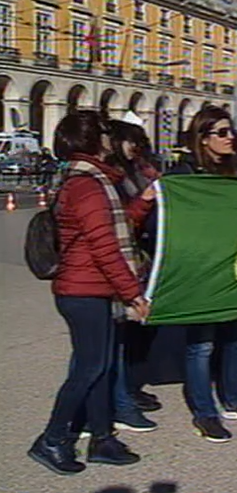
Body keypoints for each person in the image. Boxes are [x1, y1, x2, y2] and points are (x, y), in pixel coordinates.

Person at [28, 111, 149, 475]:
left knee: (101, 365)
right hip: (84, 290)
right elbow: (104, 246)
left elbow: (113, 231)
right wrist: (132, 294)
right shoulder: (87, 184)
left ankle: (101, 438)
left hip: (92, 288)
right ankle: (51, 439)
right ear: (92, 138)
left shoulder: (92, 179)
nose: (110, 138)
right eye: (105, 132)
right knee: (89, 368)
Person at [168, 106, 237, 442]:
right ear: (203, 137)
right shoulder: (183, 174)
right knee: (201, 345)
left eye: (231, 132)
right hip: (200, 268)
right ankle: (205, 412)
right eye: (222, 133)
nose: (231, 138)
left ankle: (236, 398)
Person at [102, 120, 163, 432]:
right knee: (118, 338)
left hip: (142, 259)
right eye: (130, 141)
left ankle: (132, 388)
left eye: (140, 141)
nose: (135, 147)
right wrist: (145, 201)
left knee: (139, 333)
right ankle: (119, 401)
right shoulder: (113, 177)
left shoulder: (139, 170)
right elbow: (121, 221)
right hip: (124, 260)